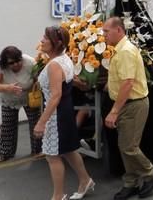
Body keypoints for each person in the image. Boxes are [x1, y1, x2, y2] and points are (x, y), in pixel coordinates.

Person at [33, 26, 94, 200]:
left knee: (52, 157)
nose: (42, 40)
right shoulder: (64, 59)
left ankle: (58, 196)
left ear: (57, 42)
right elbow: (69, 81)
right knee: (69, 150)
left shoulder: (54, 64)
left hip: (56, 115)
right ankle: (85, 180)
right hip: (64, 112)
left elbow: (55, 95)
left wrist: (41, 122)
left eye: (46, 37)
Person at [103, 17, 153, 198]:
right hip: (128, 104)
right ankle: (131, 182)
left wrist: (114, 111)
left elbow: (128, 83)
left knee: (128, 147)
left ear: (119, 30)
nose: (103, 35)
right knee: (125, 146)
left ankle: (150, 173)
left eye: (106, 31)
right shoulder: (120, 50)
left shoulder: (125, 51)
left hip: (133, 104)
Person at [0, 46, 42, 163]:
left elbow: (38, 78)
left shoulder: (30, 62)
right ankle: (5, 153)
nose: (16, 64)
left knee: (35, 123)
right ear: (5, 64)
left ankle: (37, 150)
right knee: (8, 126)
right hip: (9, 98)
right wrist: (8, 88)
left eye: (18, 60)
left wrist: (37, 83)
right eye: (11, 63)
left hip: (29, 97)